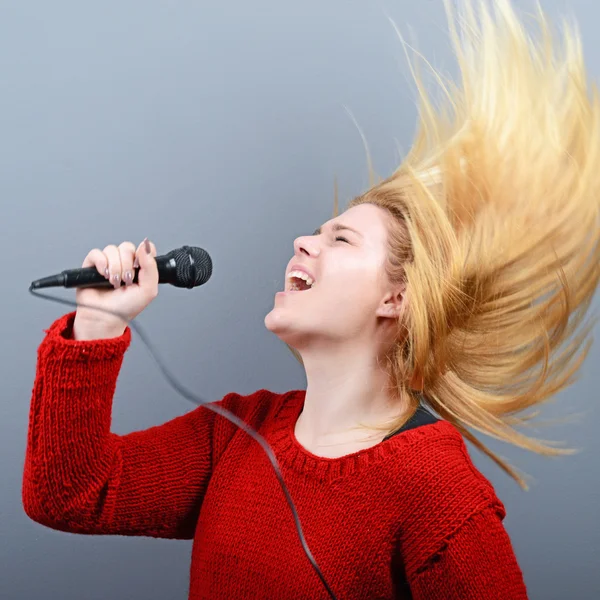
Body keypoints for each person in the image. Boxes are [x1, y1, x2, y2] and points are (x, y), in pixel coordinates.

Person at [22, 0, 600, 598]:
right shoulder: (238, 432)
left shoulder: (436, 486)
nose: (303, 240)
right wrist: (96, 323)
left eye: (340, 238)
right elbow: (68, 495)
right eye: (315, 231)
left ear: (397, 298)